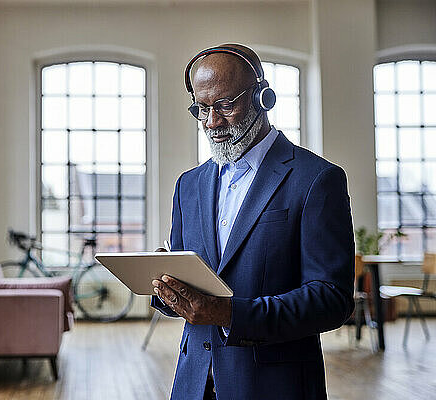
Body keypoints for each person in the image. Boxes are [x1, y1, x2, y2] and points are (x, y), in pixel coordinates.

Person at [151, 44, 355, 400]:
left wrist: (229, 313)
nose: (212, 122)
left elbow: (331, 299)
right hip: (194, 385)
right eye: (201, 109)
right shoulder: (188, 185)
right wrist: (169, 291)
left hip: (275, 387)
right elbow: (195, 286)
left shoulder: (316, 179)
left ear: (264, 98)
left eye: (225, 106)